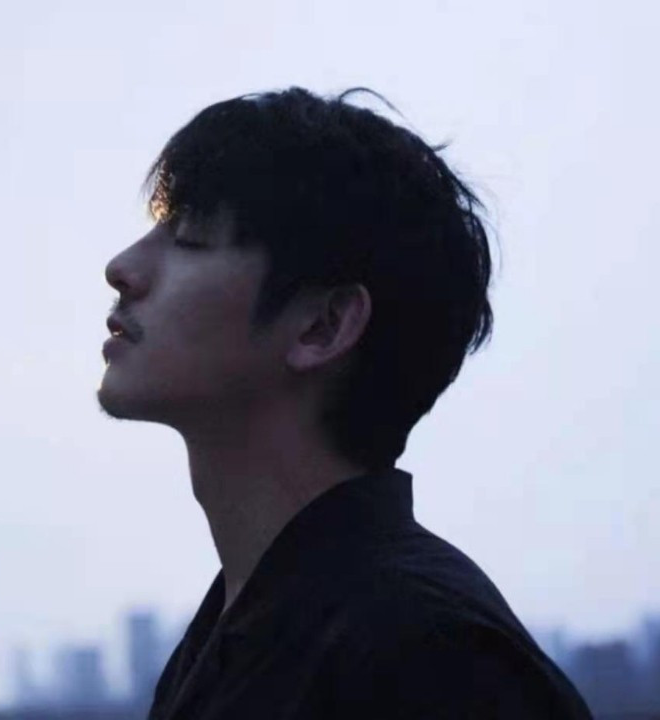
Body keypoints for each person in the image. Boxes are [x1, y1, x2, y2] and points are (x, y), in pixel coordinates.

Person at [98, 87, 592, 719]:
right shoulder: (244, 635)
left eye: (190, 237)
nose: (121, 267)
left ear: (322, 326)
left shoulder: (430, 659)